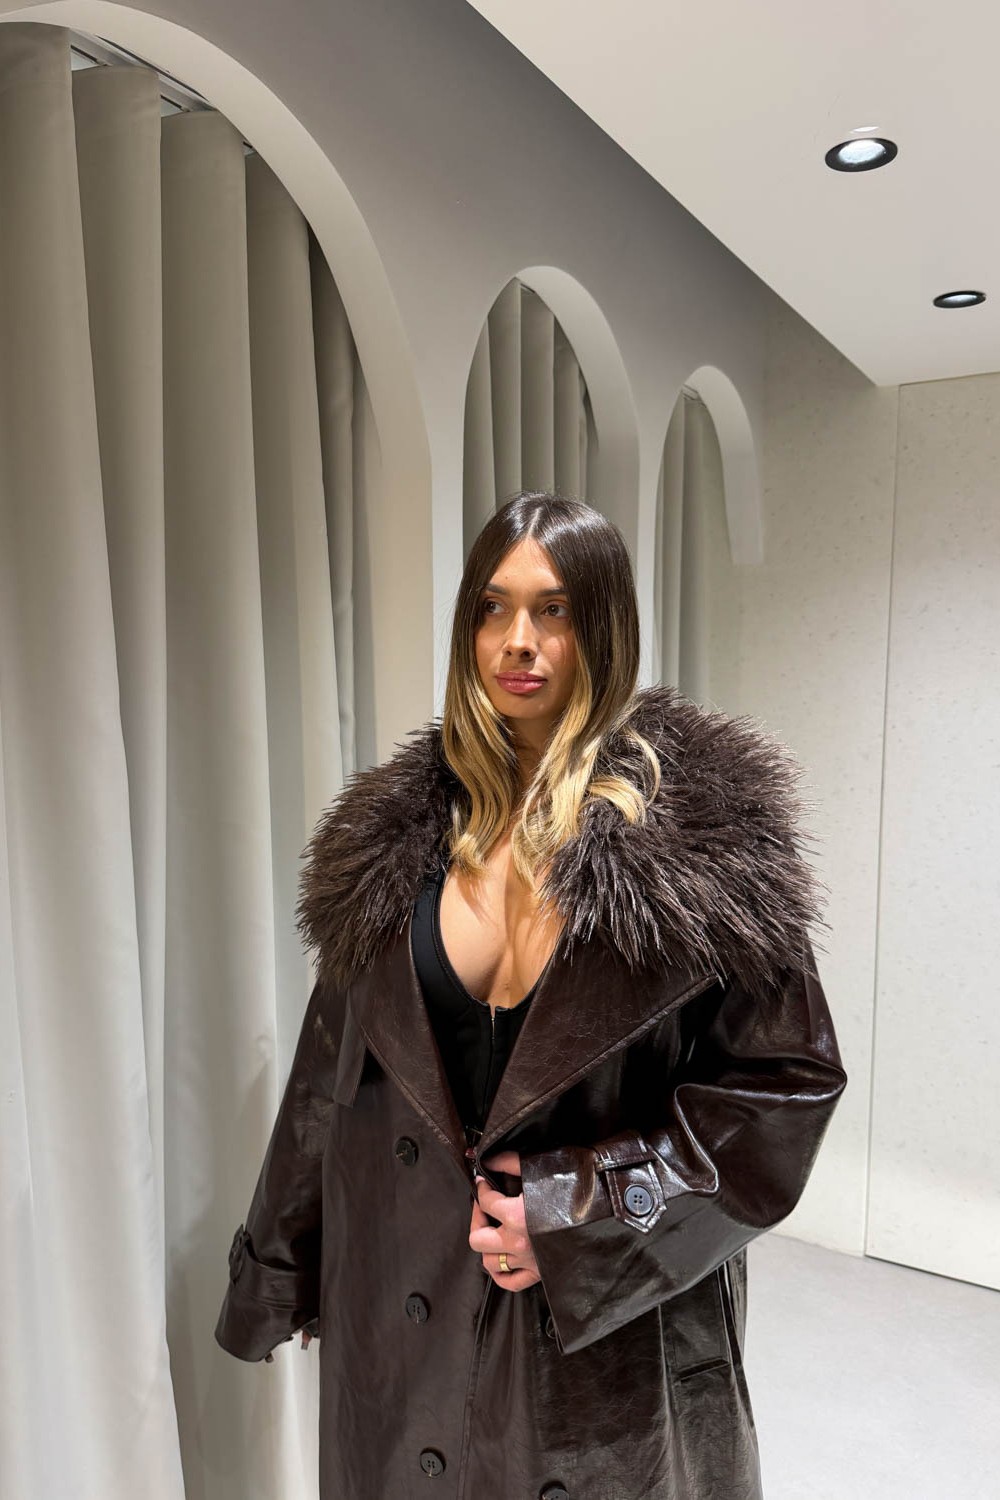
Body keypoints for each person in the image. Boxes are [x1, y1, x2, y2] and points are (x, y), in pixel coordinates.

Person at [215, 491, 848, 1500]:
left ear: (604, 626)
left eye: (553, 610)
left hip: (610, 1335)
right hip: (406, 1298)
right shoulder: (390, 845)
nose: (518, 641)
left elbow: (787, 1085)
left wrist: (577, 1210)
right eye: (493, 608)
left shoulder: (708, 845)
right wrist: (280, 1265)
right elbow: (328, 1072)